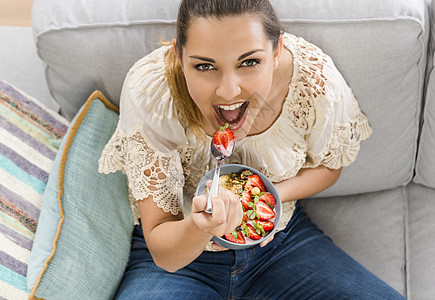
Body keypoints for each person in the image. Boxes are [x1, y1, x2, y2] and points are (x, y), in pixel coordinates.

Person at [98, 0, 405, 298]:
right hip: (182, 255)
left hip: (281, 244)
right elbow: (167, 255)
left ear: (277, 50)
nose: (229, 90)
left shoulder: (314, 80)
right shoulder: (151, 91)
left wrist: (266, 197)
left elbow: (328, 166)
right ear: (179, 55)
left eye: (249, 62)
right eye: (205, 66)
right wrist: (201, 226)